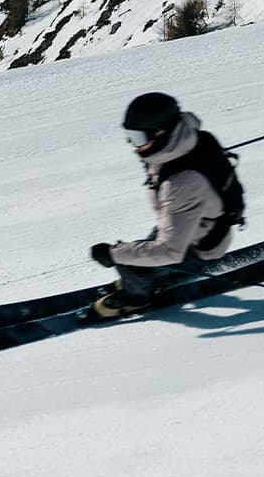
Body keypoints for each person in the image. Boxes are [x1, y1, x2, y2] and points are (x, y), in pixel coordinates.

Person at [89, 91, 244, 318]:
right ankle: (149, 276)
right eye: (130, 137)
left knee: (130, 260)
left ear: (161, 133)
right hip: (201, 224)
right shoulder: (186, 141)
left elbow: (169, 251)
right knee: (141, 249)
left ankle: (136, 298)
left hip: (202, 245)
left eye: (139, 138)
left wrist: (113, 254)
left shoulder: (180, 183)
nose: (134, 146)